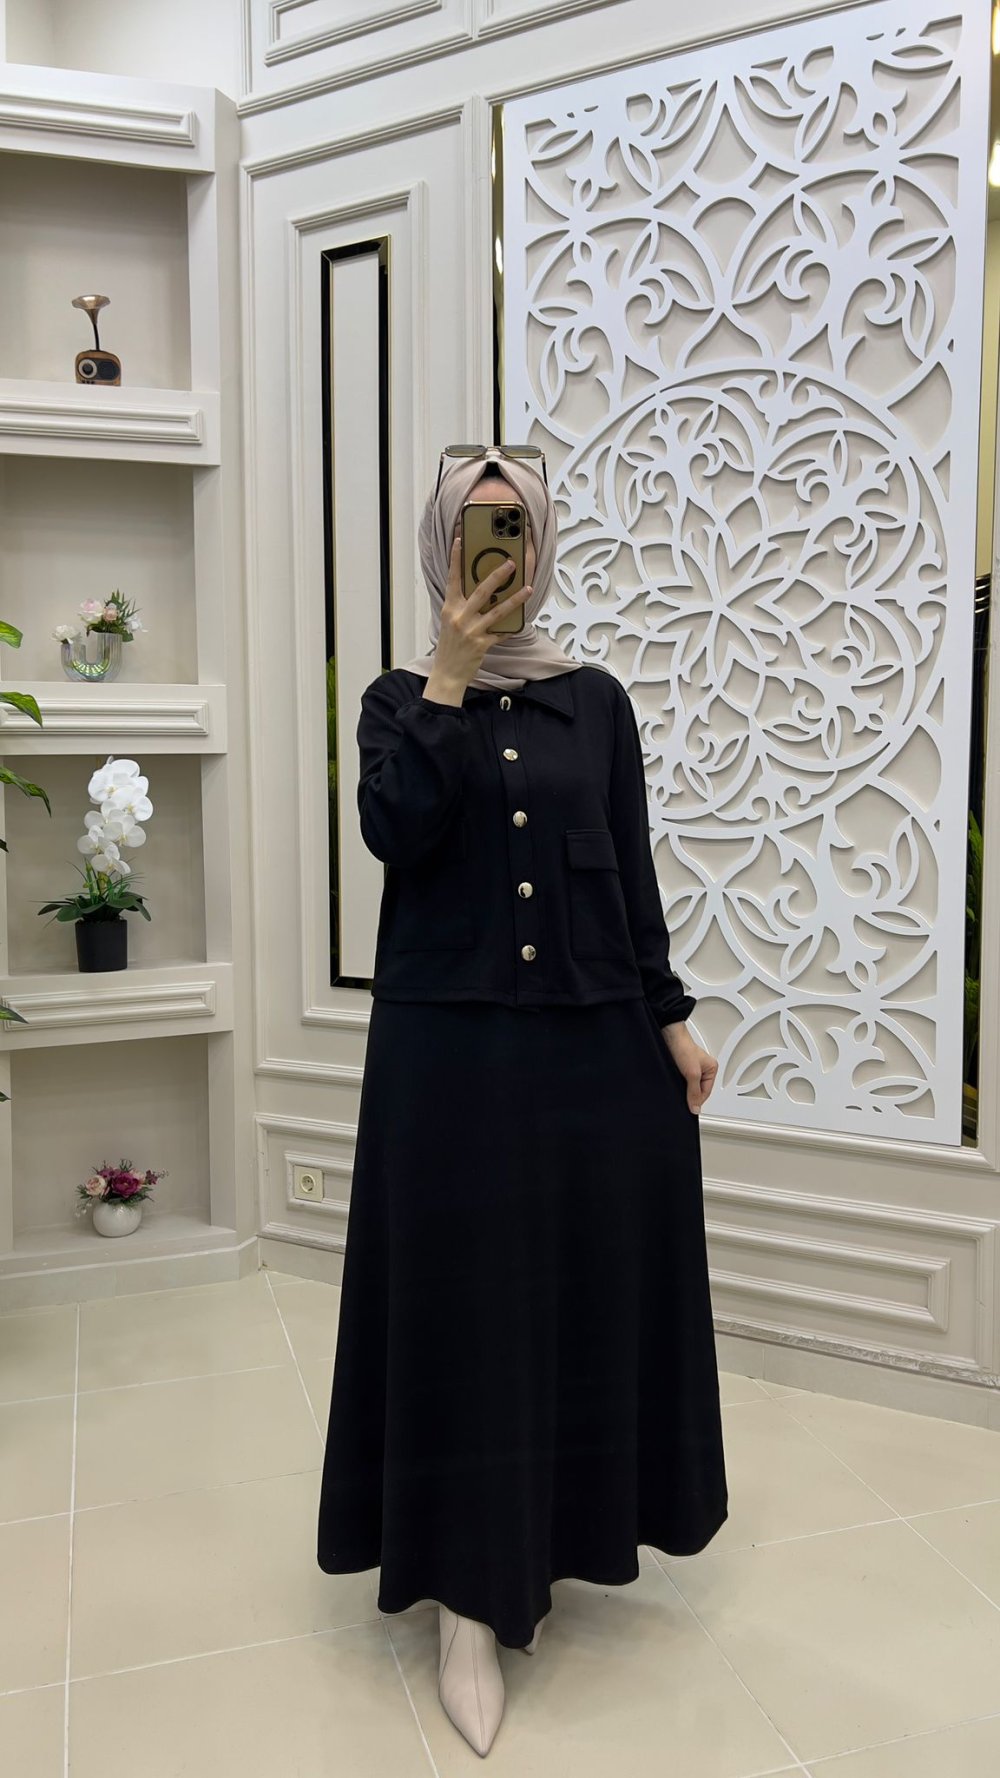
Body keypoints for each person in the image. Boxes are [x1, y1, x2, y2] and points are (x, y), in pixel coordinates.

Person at [317, 444, 728, 1758]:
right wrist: (447, 673)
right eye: (477, 528)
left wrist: (670, 1017)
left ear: (541, 549)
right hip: (448, 1058)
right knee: (465, 1316)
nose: (500, 550)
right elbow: (395, 831)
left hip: (591, 1046)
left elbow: (631, 874)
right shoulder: (397, 700)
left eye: (518, 530)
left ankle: (550, 1537)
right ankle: (466, 1606)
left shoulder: (596, 703)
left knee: (573, 1299)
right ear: (443, 544)